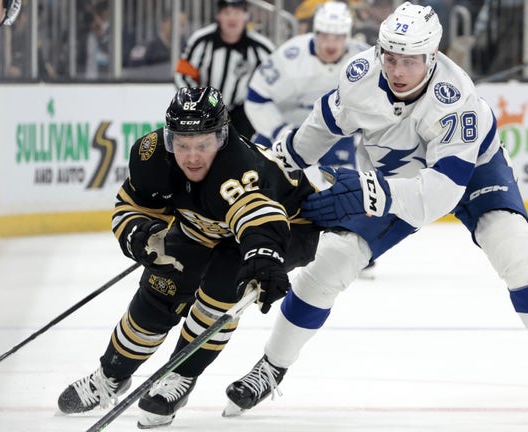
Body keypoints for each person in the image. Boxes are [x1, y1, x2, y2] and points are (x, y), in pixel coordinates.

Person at [223, 2, 528, 424]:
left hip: (469, 170)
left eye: (410, 60)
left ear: (432, 57)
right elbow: (321, 126)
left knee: (516, 249)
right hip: (393, 176)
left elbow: (440, 195)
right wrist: (281, 165)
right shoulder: (361, 74)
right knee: (331, 264)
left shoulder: (458, 102)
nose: (397, 70)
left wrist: (367, 189)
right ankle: (270, 367)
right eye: (391, 57)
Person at [55, 87, 321, 429]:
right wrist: (139, 233)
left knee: (222, 288)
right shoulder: (151, 157)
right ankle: (111, 376)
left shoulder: (239, 168)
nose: (192, 157)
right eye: (182, 144)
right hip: (207, 226)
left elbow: (259, 218)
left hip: (285, 229)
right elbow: (131, 205)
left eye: (203, 144)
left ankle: (180, 376)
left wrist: (264, 257)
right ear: (168, 139)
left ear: (222, 137)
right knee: (158, 293)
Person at [246, 1, 368, 170]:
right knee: (258, 179)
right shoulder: (290, 56)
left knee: (342, 188)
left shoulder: (364, 59)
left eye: (338, 37)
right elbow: (256, 98)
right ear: (315, 33)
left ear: (348, 36)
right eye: (325, 36)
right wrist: (278, 131)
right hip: (286, 132)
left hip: (337, 136)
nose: (330, 45)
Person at [175, 0, 276, 140]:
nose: (232, 18)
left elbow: (277, 81)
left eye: (237, 13)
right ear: (218, 16)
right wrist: (196, 101)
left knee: (241, 156)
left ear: (246, 15)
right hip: (204, 110)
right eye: (227, 13)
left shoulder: (262, 47)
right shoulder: (200, 41)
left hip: (242, 114)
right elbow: (183, 74)